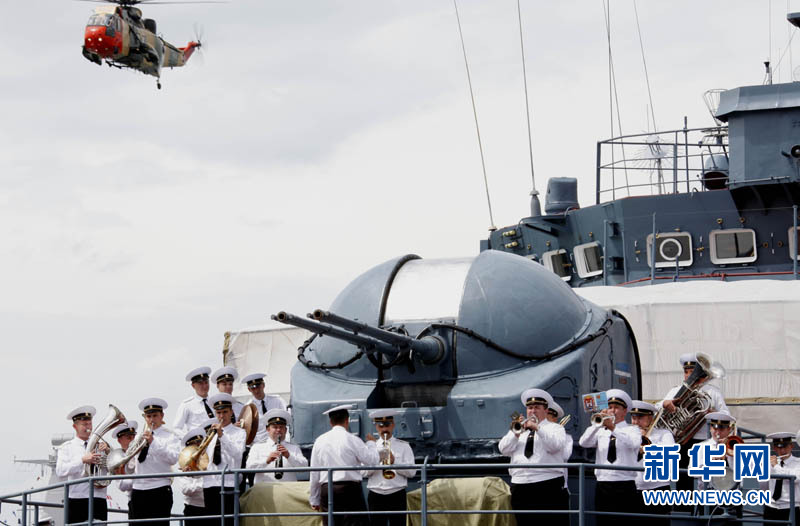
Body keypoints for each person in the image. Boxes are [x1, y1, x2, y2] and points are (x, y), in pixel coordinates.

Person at [659, 353, 727, 497]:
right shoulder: (675, 391)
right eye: (686, 372)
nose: (689, 376)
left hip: (704, 441)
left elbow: (726, 415)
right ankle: (684, 510)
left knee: (705, 480)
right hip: (681, 441)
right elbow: (658, 408)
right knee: (683, 478)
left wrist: (711, 412)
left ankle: (704, 509)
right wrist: (666, 404)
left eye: (693, 372)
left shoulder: (712, 392)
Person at [498, 388, 569, 526]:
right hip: (521, 485)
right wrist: (515, 434)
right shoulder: (519, 429)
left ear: (546, 410)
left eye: (537, 407)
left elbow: (554, 446)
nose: (533, 411)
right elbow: (503, 449)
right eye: (530, 408)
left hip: (547, 483)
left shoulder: (556, 428)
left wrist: (537, 428)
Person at [309, 404, 379, 526]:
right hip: (349, 490)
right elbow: (372, 460)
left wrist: (314, 498)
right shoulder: (353, 439)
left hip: (327, 489)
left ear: (331, 422)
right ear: (347, 420)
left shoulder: (319, 441)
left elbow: (315, 471)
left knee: (331, 522)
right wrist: (372, 444)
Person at [578, 389, 640, 526]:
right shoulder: (601, 430)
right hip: (603, 484)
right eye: (610, 407)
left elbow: (633, 444)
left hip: (625, 484)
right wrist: (596, 424)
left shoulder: (632, 429)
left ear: (625, 411)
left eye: (616, 408)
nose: (612, 411)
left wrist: (613, 428)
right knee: (603, 521)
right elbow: (584, 442)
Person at [130, 398, 181, 526]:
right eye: (148, 416)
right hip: (138, 489)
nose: (152, 419)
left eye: (155, 415)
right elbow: (132, 462)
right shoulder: (138, 436)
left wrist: (154, 442)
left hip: (159, 488)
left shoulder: (170, 436)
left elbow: (173, 458)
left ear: (161, 416)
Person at [55, 406, 109, 524]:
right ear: (75, 426)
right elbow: (60, 471)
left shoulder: (101, 446)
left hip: (98, 498)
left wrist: (108, 453)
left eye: (89, 424)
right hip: (77, 499)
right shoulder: (67, 447)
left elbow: (111, 470)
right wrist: (82, 460)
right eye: (84, 424)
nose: (88, 427)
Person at [362, 409, 416, 526]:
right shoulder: (370, 447)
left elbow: (412, 472)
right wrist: (377, 460)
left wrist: (394, 461)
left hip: (397, 494)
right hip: (376, 494)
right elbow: (363, 472)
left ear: (393, 425)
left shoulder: (404, 446)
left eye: (387, 425)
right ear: (376, 427)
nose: (384, 429)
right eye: (380, 426)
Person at [203, 393, 247, 526]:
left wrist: (222, 436)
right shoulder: (209, 433)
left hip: (228, 483)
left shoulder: (239, 432)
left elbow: (238, 454)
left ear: (231, 412)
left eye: (225, 412)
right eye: (218, 413)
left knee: (229, 522)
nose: (221, 416)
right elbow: (205, 459)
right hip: (210, 484)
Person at [630, 400, 674, 525]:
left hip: (658, 489)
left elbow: (670, 452)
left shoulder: (664, 434)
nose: (636, 422)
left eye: (640, 418)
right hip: (635, 488)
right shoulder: (628, 435)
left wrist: (648, 441)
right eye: (633, 418)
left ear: (651, 418)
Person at [694, 412, 741, 522]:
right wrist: (710, 463)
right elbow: (693, 472)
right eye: (715, 429)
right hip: (708, 496)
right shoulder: (700, 447)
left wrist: (730, 455)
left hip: (732, 497)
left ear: (729, 430)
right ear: (710, 428)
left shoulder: (735, 448)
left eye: (722, 429)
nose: (718, 432)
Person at [246, 408, 308, 483]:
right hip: (265, 490)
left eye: (281, 427)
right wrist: (266, 461)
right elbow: (249, 468)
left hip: (288, 490)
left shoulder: (294, 448)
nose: (278, 430)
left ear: (285, 430)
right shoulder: (257, 447)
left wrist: (289, 456)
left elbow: (304, 468)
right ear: (268, 429)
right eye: (275, 427)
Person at [762, 432, 800, 523]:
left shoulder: (798, 463)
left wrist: (776, 466)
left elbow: (795, 478)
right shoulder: (769, 463)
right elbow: (763, 485)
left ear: (791, 446)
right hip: (771, 507)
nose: (782, 450)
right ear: (774, 448)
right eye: (779, 447)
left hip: (791, 507)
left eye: (785, 446)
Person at [242, 373, 286, 445]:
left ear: (263, 385)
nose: (256, 391)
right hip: (259, 445)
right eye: (253, 388)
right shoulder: (247, 408)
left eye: (258, 387)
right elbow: (247, 431)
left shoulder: (277, 401)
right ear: (249, 389)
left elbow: (286, 422)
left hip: (278, 441)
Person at [546, 400, 573, 511]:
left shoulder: (566, 437)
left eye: (549, 418)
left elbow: (565, 456)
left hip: (557, 484)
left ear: (555, 418)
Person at [178, 428, 208, 526]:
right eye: (195, 445)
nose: (198, 449)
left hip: (212, 506)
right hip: (193, 508)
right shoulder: (183, 465)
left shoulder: (211, 461)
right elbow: (186, 490)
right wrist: (206, 483)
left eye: (200, 444)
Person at [173, 366, 215, 436]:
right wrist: (190, 439)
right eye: (200, 383)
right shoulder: (187, 405)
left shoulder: (214, 402)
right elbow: (176, 428)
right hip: (198, 443)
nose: (204, 386)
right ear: (193, 385)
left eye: (206, 382)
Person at [112, 420, 138, 517]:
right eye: (128, 438)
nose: (132, 440)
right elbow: (122, 485)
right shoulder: (118, 458)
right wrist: (142, 480)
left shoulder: (143, 453)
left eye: (133, 437)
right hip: (135, 499)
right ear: (119, 440)